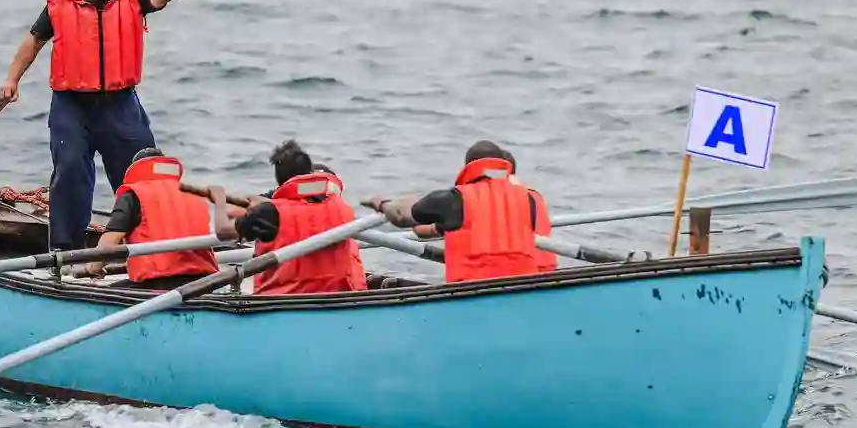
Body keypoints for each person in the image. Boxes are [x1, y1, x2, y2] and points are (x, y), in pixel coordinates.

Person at [0, 0, 217, 252]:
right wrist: (12, 80)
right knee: (70, 169)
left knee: (144, 173)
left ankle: (154, 245)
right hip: (72, 106)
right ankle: (65, 251)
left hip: (120, 105)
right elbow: (33, 41)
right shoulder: (61, 2)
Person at [368, 142, 556, 283]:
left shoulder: (454, 200)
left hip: (471, 292)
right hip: (524, 288)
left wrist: (383, 204)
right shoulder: (529, 199)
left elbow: (400, 217)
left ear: (468, 168)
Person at [208, 140, 366, 295]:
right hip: (334, 298)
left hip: (281, 302)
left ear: (278, 179)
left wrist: (219, 201)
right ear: (310, 173)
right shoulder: (339, 206)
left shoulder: (269, 213)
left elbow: (223, 231)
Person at [87, 149, 218, 288]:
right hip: (204, 282)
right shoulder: (194, 195)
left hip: (159, 283)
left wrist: (94, 266)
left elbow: (110, 242)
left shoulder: (133, 194)